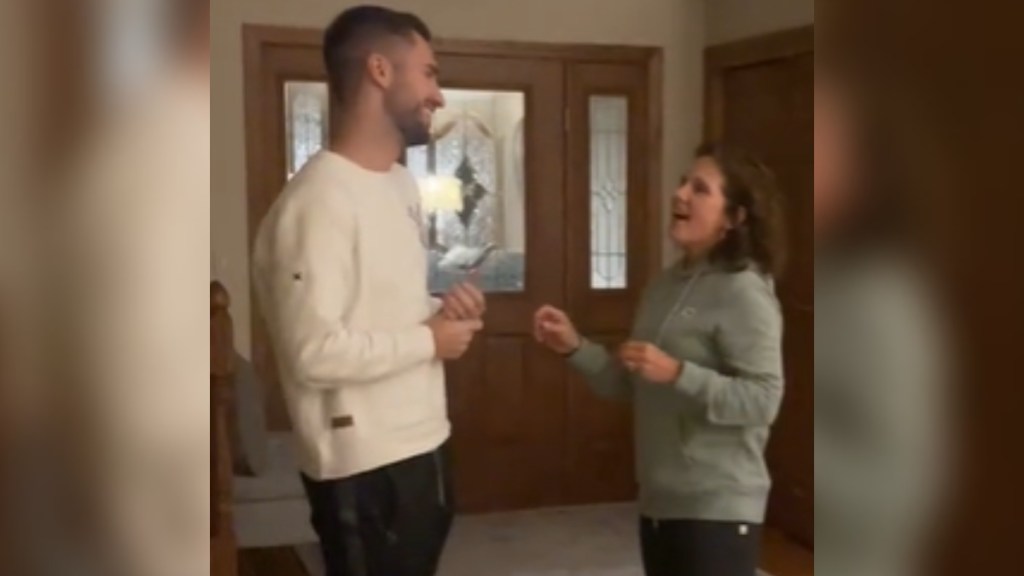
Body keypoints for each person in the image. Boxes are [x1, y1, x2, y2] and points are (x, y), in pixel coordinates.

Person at [252, 6, 486, 576]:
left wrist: (440, 312)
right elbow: (314, 352)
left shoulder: (401, 182)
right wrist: (429, 342)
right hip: (362, 467)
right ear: (381, 70)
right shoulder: (315, 203)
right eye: (429, 73)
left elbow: (381, 308)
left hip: (424, 441)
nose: (439, 95)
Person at [534, 143, 786, 576]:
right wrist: (574, 346)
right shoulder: (664, 286)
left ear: (734, 218)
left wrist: (679, 373)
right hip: (659, 499)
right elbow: (630, 382)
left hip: (717, 505)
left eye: (700, 189)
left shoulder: (744, 290)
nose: (681, 194)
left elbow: (764, 399)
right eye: (683, 182)